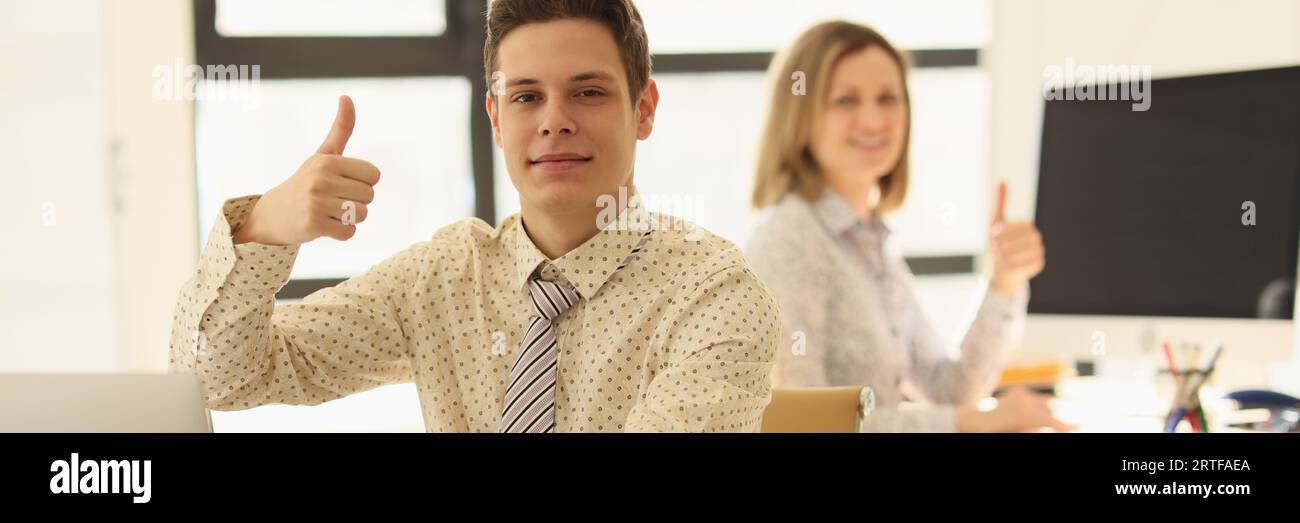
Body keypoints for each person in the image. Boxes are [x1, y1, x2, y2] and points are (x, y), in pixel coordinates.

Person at [169, 0, 779, 433]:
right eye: (526, 96)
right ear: (494, 117)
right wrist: (264, 230)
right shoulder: (443, 278)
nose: (554, 120)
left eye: (588, 92)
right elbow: (219, 381)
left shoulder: (712, 293)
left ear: (644, 108)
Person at [744, 21, 1069, 432]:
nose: (873, 119)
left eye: (888, 98)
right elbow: (803, 424)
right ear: (800, 116)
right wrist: (972, 423)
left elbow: (948, 387)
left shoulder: (869, 240)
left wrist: (1003, 281)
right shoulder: (788, 239)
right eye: (845, 100)